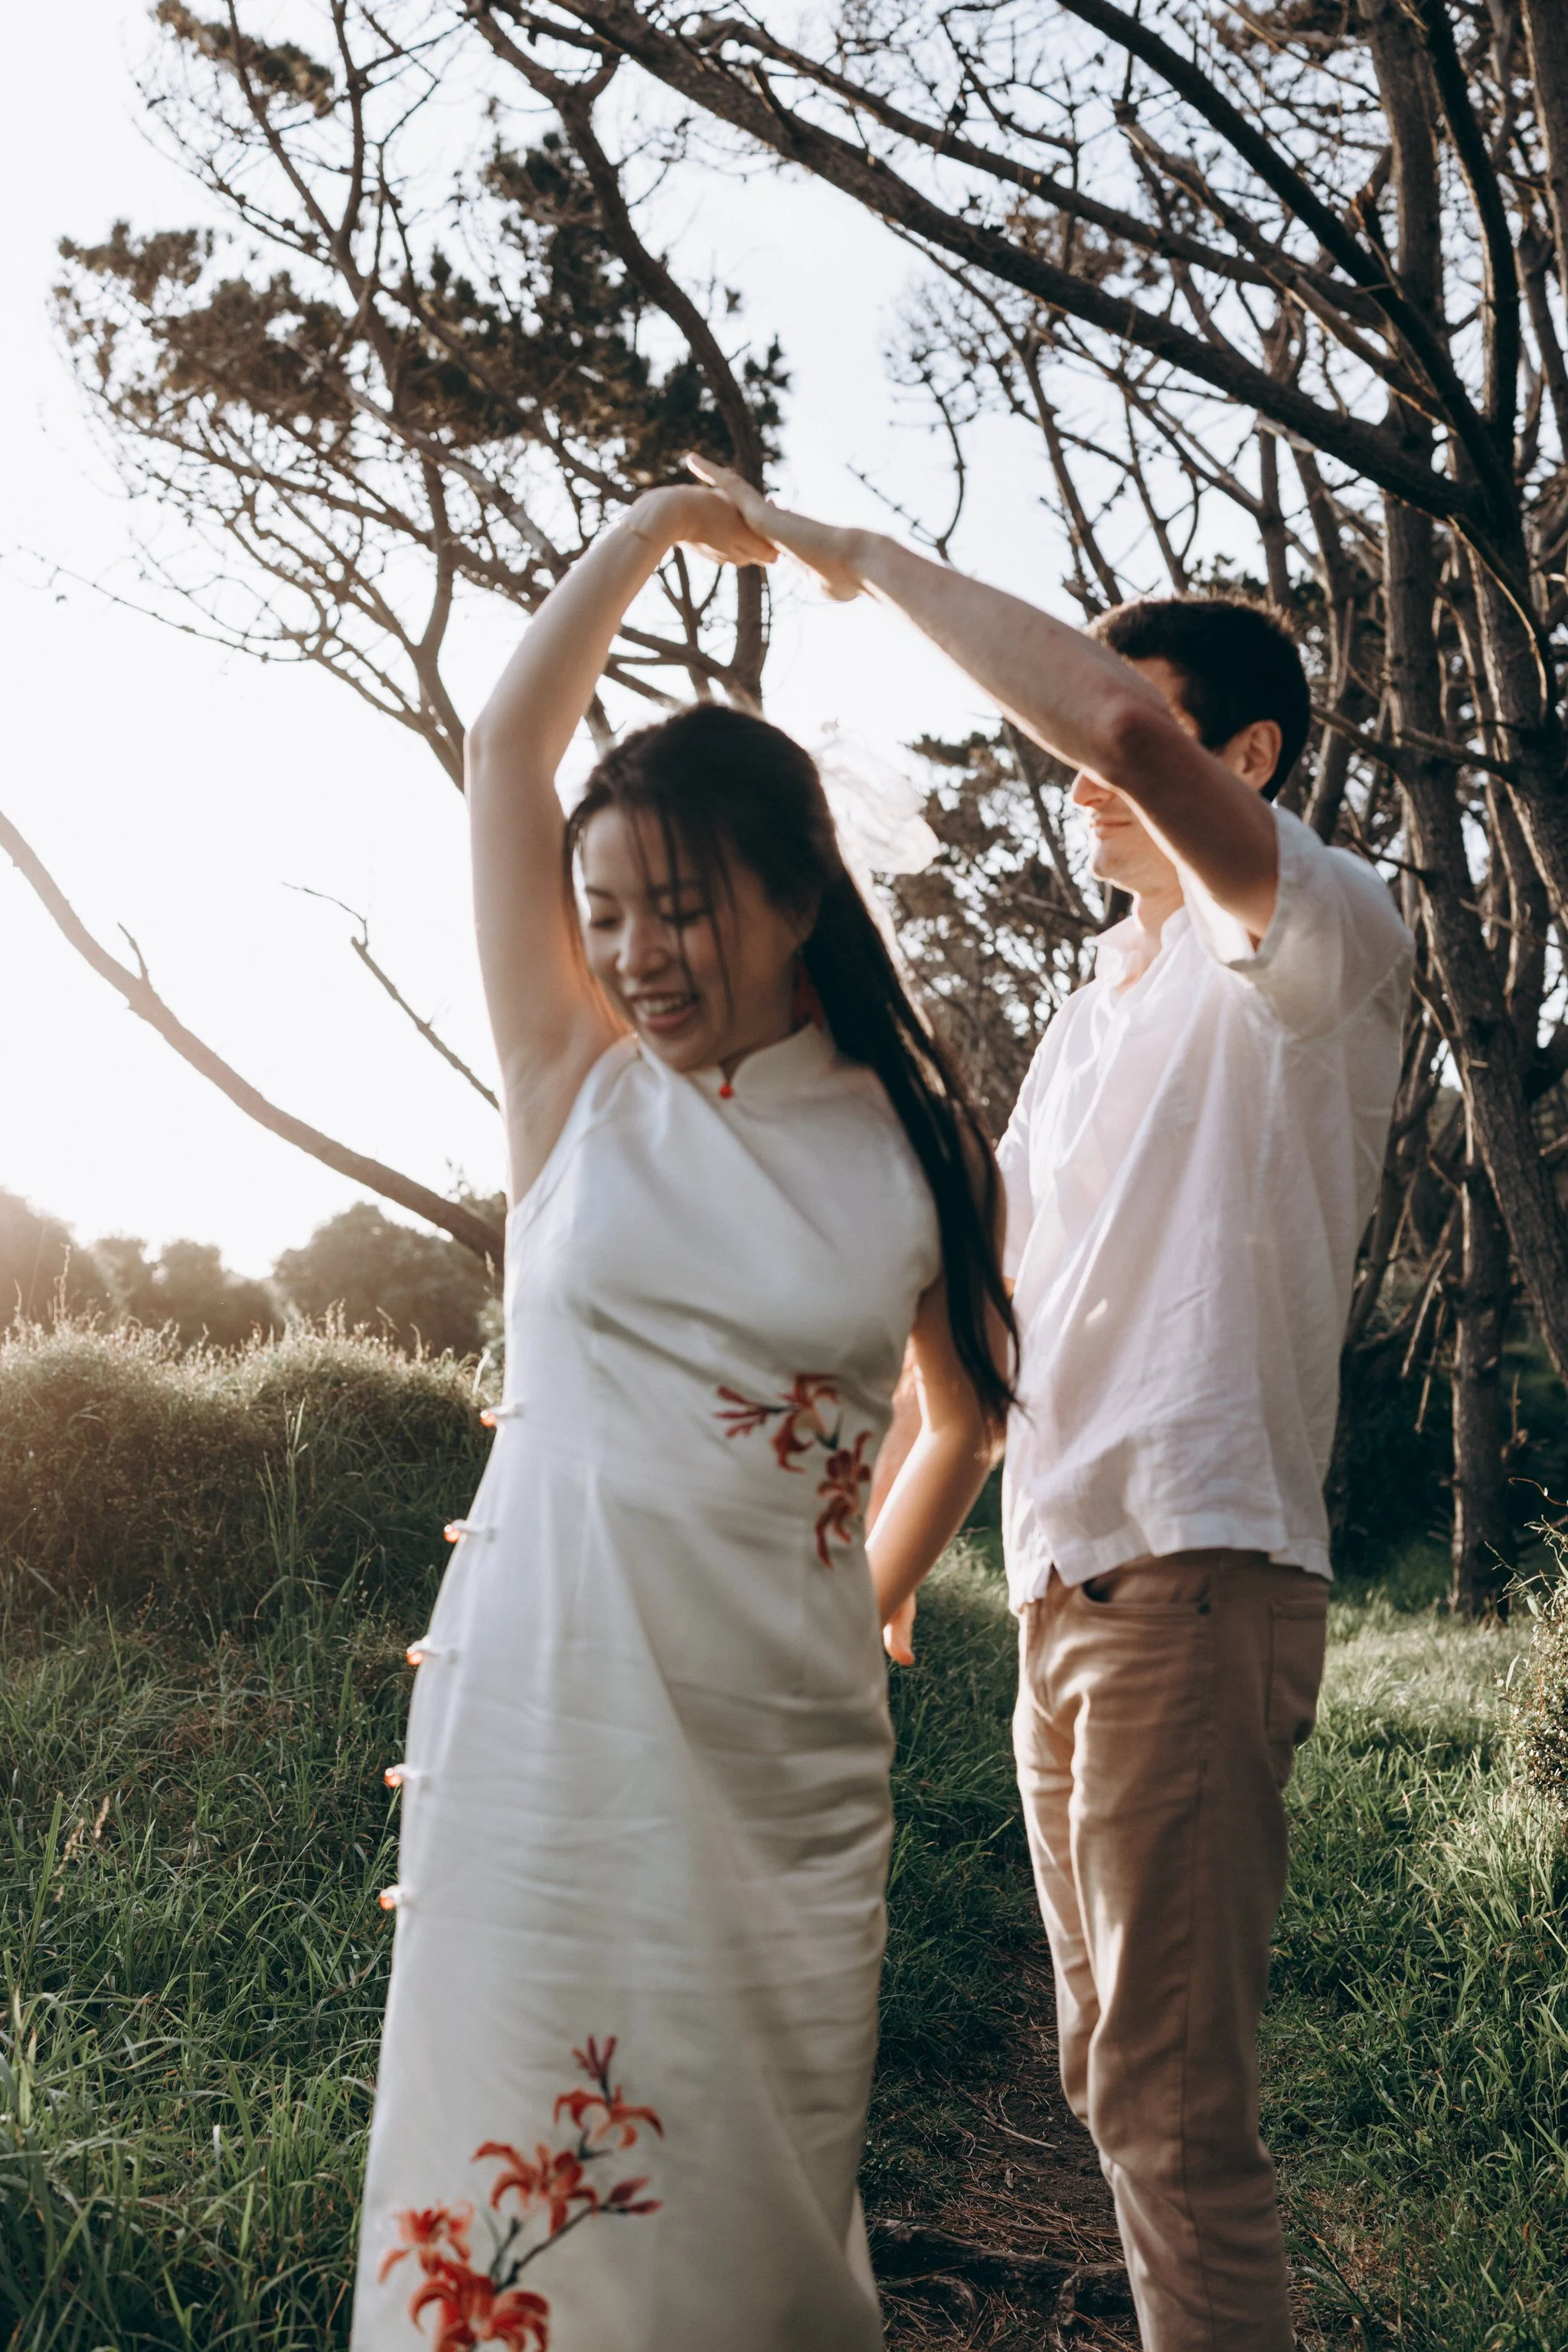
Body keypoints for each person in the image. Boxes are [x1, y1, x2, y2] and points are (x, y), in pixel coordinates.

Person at [690, 458, 1414, 2352]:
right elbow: (973, 1343)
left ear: (1243, 759)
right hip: (1061, 1593)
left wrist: (856, 558)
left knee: (1172, 2121)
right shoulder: (1097, 1014)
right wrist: (866, 1577)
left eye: (1127, 748)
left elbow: (1106, 725)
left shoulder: (1319, 938)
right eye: (1083, 757)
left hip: (1196, 1576)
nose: (1075, 781)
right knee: (1108, 2083)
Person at [349, 482, 1014, 2352]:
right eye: (609, 913)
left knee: (747, 2165)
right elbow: (509, 743)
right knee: (510, 2111)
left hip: (784, 1747)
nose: (638, 951)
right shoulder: (571, 1083)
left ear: (797, 898)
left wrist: (869, 1605)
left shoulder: (915, 1148)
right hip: (543, 1710)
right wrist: (651, 524)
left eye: (684, 908)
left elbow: (965, 1415)